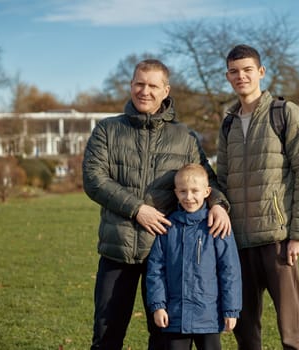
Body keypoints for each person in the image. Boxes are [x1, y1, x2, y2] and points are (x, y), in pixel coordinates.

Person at [83, 59, 231, 350]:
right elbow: (93, 178)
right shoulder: (107, 130)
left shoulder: (184, 137)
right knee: (106, 335)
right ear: (131, 85)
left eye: (153, 85)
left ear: (166, 90)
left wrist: (218, 204)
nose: (145, 91)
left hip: (166, 255)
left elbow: (206, 179)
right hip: (118, 250)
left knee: (164, 338)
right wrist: (138, 209)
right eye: (139, 83)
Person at [216, 44, 299, 350]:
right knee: (245, 332)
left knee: (292, 332)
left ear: (260, 72)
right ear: (227, 76)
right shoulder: (228, 124)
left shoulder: (284, 113)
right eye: (234, 71)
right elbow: (221, 180)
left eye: (248, 70)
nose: (241, 76)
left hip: (278, 241)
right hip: (237, 243)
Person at [146, 163, 242, 350]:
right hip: (175, 317)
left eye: (194, 191)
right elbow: (155, 270)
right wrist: (158, 306)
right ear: (176, 193)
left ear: (207, 192)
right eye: (183, 191)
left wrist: (231, 309)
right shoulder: (167, 227)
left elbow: (230, 270)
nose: (189, 197)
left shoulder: (216, 226)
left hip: (209, 316)